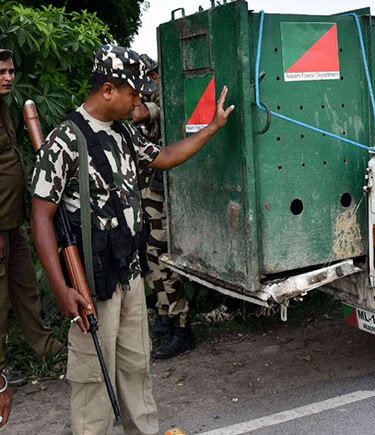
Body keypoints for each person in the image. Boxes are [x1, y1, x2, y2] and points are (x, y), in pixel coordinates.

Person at [30, 45, 234, 434]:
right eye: (133, 94)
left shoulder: (124, 132)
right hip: (93, 284)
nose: (138, 102)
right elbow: (41, 218)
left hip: (131, 275)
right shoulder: (65, 141)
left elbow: (162, 156)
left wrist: (211, 128)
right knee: (94, 384)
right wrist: (61, 288)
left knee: (136, 370)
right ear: (108, 90)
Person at [0, 47, 64, 388]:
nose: (8, 77)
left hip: (13, 218)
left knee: (25, 285)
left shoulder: (4, 107)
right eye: (1, 72)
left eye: (10, 71)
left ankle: (43, 345)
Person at [132, 54, 193, 359]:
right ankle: (165, 313)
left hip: (162, 197)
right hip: (148, 195)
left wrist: (138, 110)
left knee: (162, 257)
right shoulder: (148, 96)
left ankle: (183, 327)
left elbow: (149, 112)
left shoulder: (161, 99)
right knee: (150, 255)